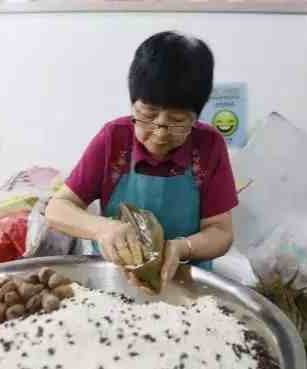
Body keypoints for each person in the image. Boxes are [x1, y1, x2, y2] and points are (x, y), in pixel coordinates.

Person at [46, 31, 238, 291]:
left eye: (177, 122)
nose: (160, 133)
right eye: (148, 115)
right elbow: (57, 209)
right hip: (114, 280)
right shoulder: (113, 139)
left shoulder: (209, 145)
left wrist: (181, 248)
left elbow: (221, 233)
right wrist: (101, 229)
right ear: (132, 105)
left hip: (185, 282)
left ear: (196, 116)